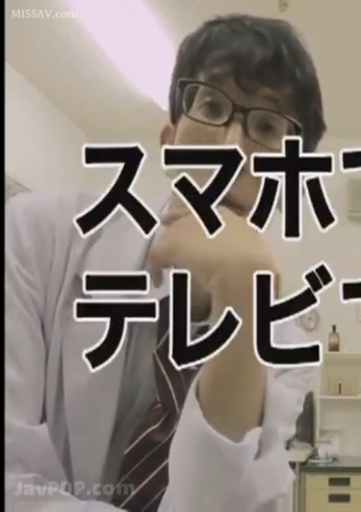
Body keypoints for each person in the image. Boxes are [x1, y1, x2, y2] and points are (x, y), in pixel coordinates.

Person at [5, 14, 325, 512]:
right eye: (212, 106)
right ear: (169, 139)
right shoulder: (35, 236)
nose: (231, 148)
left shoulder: (287, 351)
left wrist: (243, 308)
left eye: (266, 126)